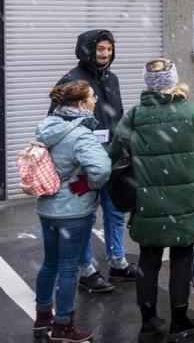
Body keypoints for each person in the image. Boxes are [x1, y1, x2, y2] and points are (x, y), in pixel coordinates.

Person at [108, 59, 194, 343]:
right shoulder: (192, 113)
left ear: (147, 82)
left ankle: (148, 321)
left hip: (147, 201)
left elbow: (113, 154)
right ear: (174, 80)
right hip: (186, 200)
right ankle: (179, 321)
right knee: (182, 257)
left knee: (149, 258)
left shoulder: (133, 116)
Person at [50, 29, 135, 294]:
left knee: (115, 213)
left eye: (109, 49)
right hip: (81, 164)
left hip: (111, 159)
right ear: (88, 50)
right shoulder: (72, 81)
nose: (105, 54)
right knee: (84, 218)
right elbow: (57, 123)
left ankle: (118, 262)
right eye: (100, 49)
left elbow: (117, 118)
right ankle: (86, 270)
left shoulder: (113, 79)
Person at [32, 81, 112, 343]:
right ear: (80, 104)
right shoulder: (80, 134)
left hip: (48, 209)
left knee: (50, 264)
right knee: (68, 269)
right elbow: (101, 170)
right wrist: (88, 183)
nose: (95, 101)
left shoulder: (48, 127)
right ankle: (63, 326)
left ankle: (43, 318)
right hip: (73, 211)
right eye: (92, 97)